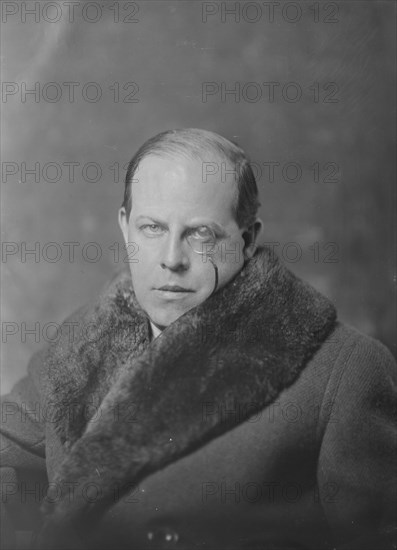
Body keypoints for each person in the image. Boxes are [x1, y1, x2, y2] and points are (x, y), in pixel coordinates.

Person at [1, 129, 396, 550]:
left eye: (200, 234)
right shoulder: (82, 341)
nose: (172, 258)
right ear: (125, 228)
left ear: (247, 240)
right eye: (152, 228)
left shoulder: (345, 371)